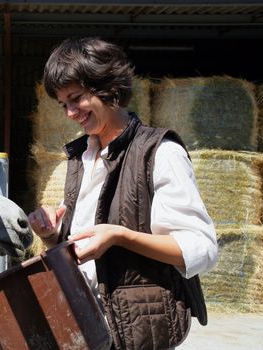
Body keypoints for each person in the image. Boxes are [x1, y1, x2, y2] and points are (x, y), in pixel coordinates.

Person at [28, 37, 218, 350]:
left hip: (136, 330)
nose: (70, 113)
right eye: (63, 104)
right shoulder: (82, 157)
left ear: (109, 88)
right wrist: (51, 236)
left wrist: (120, 237)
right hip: (87, 325)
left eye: (76, 98)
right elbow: (85, 244)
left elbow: (202, 248)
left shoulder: (160, 153)